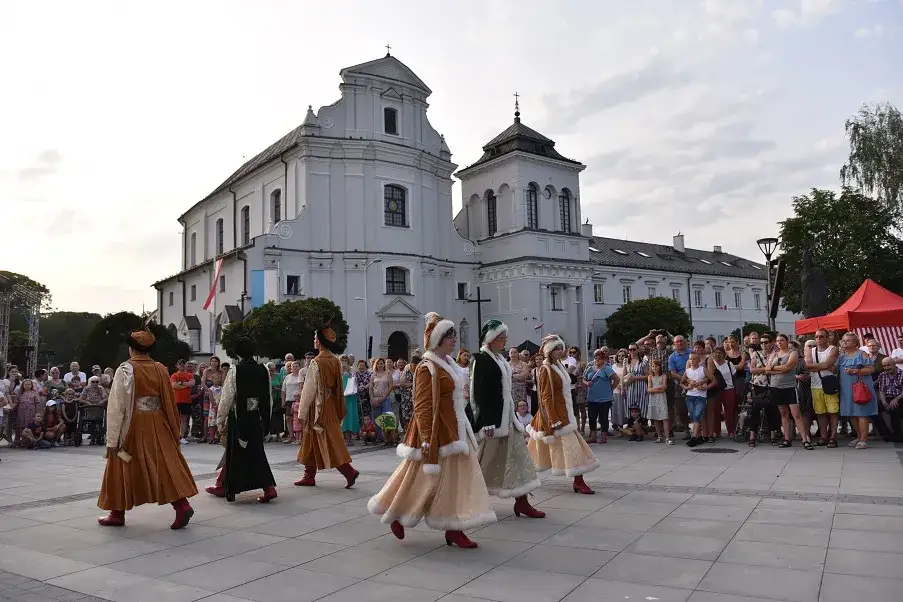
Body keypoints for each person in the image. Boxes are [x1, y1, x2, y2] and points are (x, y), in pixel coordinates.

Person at [368, 312, 496, 548]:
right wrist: (427, 439)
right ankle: (397, 513)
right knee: (419, 479)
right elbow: (422, 405)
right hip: (436, 432)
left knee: (456, 481)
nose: (454, 340)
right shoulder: (427, 368)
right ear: (438, 340)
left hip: (455, 430)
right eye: (450, 336)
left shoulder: (449, 364)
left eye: (454, 335)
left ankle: (454, 527)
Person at [97, 329, 198, 529]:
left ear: (131, 348)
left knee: (121, 462)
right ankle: (182, 505)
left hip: (132, 423)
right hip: (158, 421)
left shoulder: (125, 369)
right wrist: (173, 428)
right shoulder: (160, 368)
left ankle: (117, 513)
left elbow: (117, 405)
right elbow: (168, 400)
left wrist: (112, 438)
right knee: (164, 463)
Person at [470, 319, 544, 519]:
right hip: (493, 420)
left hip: (508, 418)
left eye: (505, 337)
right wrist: (487, 422)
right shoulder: (481, 359)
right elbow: (479, 393)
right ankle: (469, 498)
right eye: (501, 337)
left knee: (520, 459)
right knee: (484, 461)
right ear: (491, 338)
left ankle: (522, 501)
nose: (505, 340)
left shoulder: (500, 359)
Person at [207, 336, 277, 503]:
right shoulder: (263, 369)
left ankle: (230, 489)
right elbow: (268, 396)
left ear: (238, 352)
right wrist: (266, 420)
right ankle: (269, 488)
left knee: (235, 453)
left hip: (239, 417)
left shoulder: (235, 370)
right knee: (257, 452)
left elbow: (227, 397)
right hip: (256, 416)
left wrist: (220, 419)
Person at [527, 334, 600, 495]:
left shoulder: (558, 365)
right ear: (549, 351)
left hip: (564, 414)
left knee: (545, 451)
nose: (560, 351)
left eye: (561, 348)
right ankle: (577, 481)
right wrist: (553, 419)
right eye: (556, 349)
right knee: (540, 452)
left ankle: (578, 481)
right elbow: (545, 397)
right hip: (555, 416)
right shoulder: (546, 369)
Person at [294, 321, 360, 488]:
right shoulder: (335, 360)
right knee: (312, 439)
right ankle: (309, 475)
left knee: (328, 440)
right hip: (329, 403)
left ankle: (349, 472)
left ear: (319, 341)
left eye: (315, 337)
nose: (314, 340)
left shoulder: (316, 362)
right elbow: (338, 386)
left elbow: (309, 389)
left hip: (317, 406)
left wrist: (302, 411)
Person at [582, 348, 619, 444]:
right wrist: (587, 383)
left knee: (603, 418)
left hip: (604, 399)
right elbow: (584, 379)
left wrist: (611, 388)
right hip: (592, 398)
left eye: (599, 358)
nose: (597, 360)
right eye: (595, 358)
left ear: (603, 359)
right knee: (592, 417)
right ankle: (593, 437)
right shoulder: (590, 368)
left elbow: (617, 379)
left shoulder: (607, 369)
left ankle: (603, 437)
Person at [340, 355, 360, 446]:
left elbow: (354, 378)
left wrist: (347, 369)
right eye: (342, 360)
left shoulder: (352, 370)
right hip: (341, 396)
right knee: (342, 417)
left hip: (350, 396)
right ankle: (343, 439)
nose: (343, 362)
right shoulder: (338, 371)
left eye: (345, 360)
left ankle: (349, 438)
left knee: (350, 417)